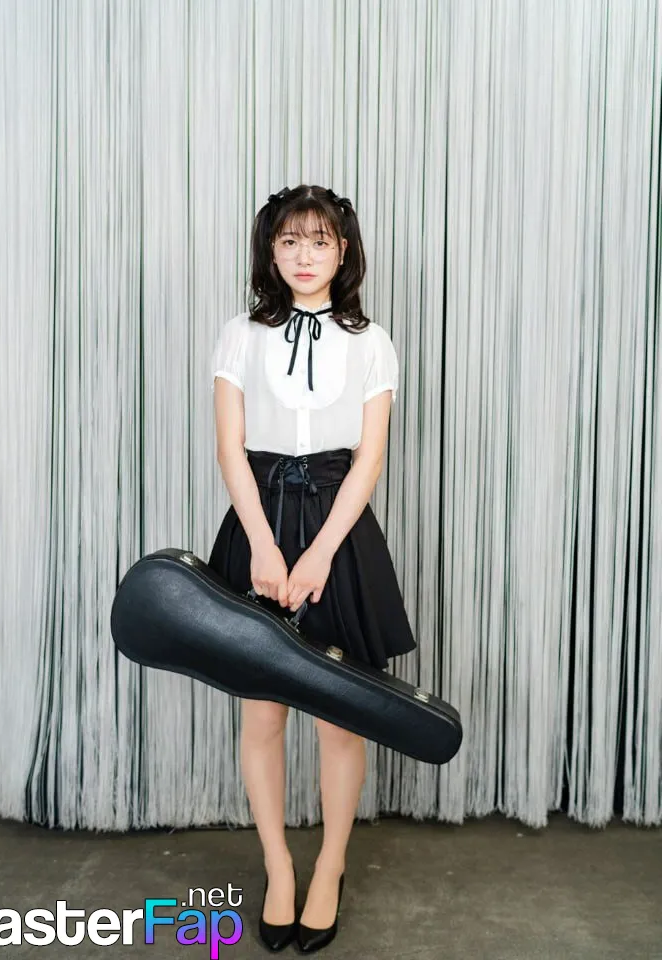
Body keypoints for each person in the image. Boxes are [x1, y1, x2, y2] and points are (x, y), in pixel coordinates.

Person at [208, 184, 417, 953]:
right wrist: (264, 548)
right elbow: (231, 448)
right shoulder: (240, 335)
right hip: (258, 522)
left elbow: (369, 459)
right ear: (271, 250)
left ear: (343, 251)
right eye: (290, 240)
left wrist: (322, 550)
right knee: (263, 713)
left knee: (338, 715)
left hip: (340, 531)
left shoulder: (371, 341)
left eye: (320, 241)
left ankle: (329, 867)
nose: (304, 255)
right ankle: (278, 868)